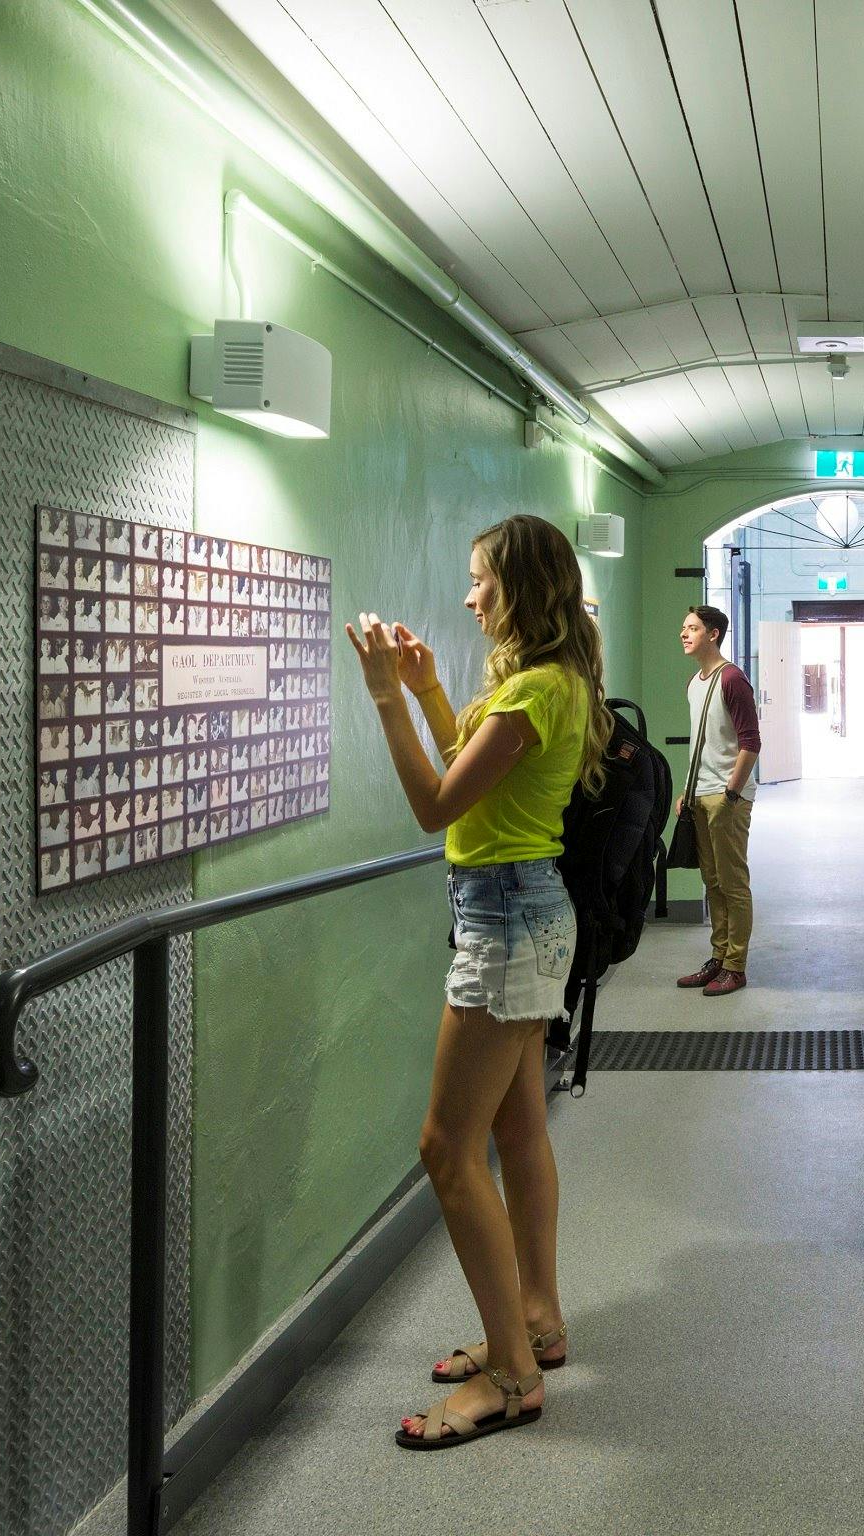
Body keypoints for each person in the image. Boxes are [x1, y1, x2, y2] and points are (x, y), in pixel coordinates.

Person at [345, 513, 613, 1449]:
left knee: (446, 1150)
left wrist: (384, 699)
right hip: (522, 911)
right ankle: (535, 1315)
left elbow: (435, 805)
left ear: (521, 588)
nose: (469, 596)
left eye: (480, 580)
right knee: (518, 1127)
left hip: (506, 921)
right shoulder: (553, 682)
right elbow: (477, 768)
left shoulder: (535, 687)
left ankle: (512, 1373)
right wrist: (428, 693)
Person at [673, 606, 761, 997]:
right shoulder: (695, 682)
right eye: (683, 627)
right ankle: (719, 957)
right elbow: (703, 744)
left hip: (727, 796)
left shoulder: (732, 679)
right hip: (700, 794)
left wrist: (730, 792)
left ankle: (735, 966)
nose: (684, 634)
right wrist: (687, 791)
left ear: (714, 634)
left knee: (733, 883)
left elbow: (751, 743)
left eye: (692, 628)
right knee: (712, 882)